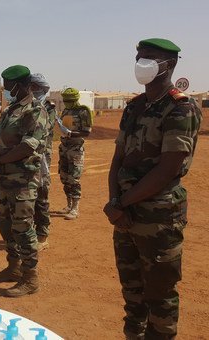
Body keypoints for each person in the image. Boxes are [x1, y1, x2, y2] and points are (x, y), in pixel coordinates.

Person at [103, 38, 202, 340]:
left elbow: (168, 168)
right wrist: (114, 201)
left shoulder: (180, 108)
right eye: (138, 57)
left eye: (149, 57)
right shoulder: (134, 106)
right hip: (126, 215)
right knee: (132, 291)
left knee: (159, 295)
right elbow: (118, 157)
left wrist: (123, 203)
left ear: (169, 65)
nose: (141, 63)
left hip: (158, 218)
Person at [0, 65, 47, 297]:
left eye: (10, 87)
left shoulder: (35, 110)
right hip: (5, 178)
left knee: (23, 227)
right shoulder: (11, 110)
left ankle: (30, 278)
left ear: (22, 85)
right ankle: (14, 267)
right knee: (5, 224)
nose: (7, 90)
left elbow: (29, 145)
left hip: (24, 180)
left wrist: (1, 161)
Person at [54, 87, 93, 220]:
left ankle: (75, 208)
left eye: (69, 100)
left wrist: (71, 133)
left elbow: (87, 132)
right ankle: (69, 205)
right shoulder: (65, 111)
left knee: (74, 178)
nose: (67, 102)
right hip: (64, 148)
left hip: (75, 149)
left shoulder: (83, 111)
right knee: (64, 177)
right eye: (65, 100)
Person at [29, 74, 56, 251]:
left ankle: (43, 234)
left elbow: (44, 129)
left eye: (34, 87)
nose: (32, 90)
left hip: (42, 158)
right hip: (28, 158)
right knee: (29, 196)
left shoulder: (48, 107)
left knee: (41, 196)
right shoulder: (29, 105)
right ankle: (31, 233)